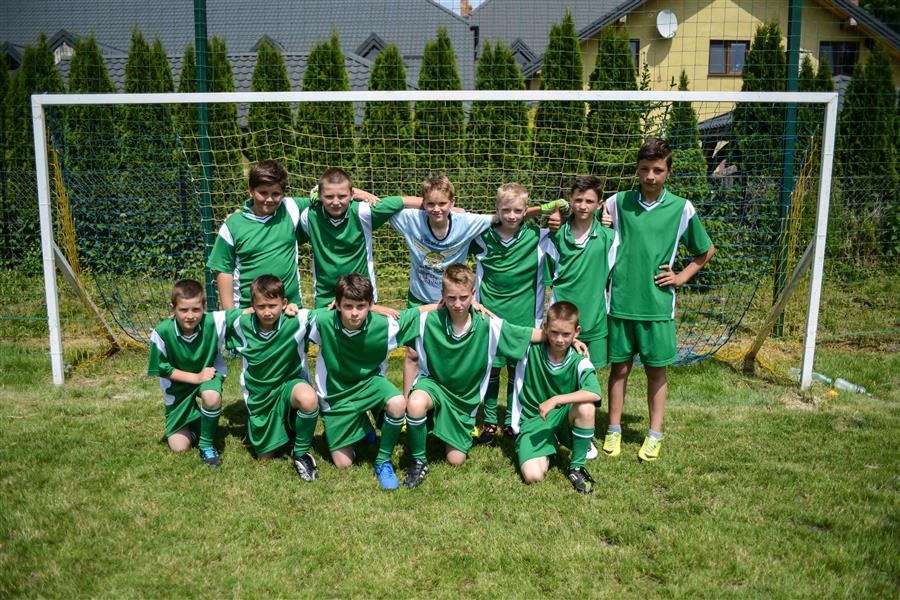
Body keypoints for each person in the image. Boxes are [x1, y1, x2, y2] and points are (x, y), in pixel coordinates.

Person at [403, 263, 584, 488]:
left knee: (456, 460)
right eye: (451, 298)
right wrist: (432, 307)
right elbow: (396, 319)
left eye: (463, 297)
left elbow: (523, 334)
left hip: (461, 401)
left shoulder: (487, 324)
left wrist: (565, 339)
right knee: (416, 402)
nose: (457, 304)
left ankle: (438, 425)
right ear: (442, 295)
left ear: (473, 294)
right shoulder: (428, 319)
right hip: (434, 386)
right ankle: (418, 461)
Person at [603, 138, 715, 462]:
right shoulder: (616, 203)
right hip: (620, 302)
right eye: (644, 169)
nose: (650, 176)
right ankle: (613, 429)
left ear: (668, 172)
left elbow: (705, 250)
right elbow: (589, 227)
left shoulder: (681, 208)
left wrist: (681, 277)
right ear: (636, 170)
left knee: (656, 372)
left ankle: (654, 435)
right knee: (619, 369)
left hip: (657, 305)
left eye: (657, 170)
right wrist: (601, 221)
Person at [389, 176, 552, 396]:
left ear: (452, 202)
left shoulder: (466, 223)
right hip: (419, 297)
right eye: (431, 203)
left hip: (452, 299)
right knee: (413, 353)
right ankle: (408, 404)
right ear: (423, 203)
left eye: (443, 203)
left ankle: (448, 401)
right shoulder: (412, 219)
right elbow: (383, 207)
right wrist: (365, 195)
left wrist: (543, 210)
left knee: (450, 354)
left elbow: (505, 216)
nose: (437, 209)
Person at [305, 273, 435, 490]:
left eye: (361, 306)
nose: (354, 313)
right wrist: (267, 309)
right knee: (344, 463)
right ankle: (362, 428)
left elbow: (415, 313)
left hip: (369, 384)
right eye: (348, 306)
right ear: (337, 304)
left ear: (370, 306)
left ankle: (383, 461)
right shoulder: (322, 320)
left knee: (397, 402)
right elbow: (287, 315)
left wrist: (457, 304)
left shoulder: (384, 325)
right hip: (336, 394)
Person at [470, 183, 552, 445]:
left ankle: (511, 421)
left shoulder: (539, 236)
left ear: (526, 210)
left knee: (516, 369)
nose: (512, 216)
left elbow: (569, 213)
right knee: (491, 369)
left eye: (518, 210)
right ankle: (490, 421)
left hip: (524, 316)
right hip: (490, 315)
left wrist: (551, 209)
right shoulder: (481, 236)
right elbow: (455, 220)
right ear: (497, 210)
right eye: (506, 210)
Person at [223, 275, 321, 481]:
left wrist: (373, 308)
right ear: (252, 306)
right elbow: (207, 322)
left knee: (308, 398)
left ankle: (301, 452)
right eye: (261, 306)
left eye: (273, 306)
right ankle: (275, 430)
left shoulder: (296, 320)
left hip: (289, 386)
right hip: (261, 396)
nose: (267, 312)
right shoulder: (241, 324)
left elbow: (333, 315)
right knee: (265, 458)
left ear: (284, 303)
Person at [510, 301, 600, 494]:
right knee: (533, 476)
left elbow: (594, 392)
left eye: (566, 334)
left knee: (586, 406)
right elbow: (501, 329)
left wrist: (555, 400)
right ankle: (551, 445)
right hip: (534, 419)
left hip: (563, 416)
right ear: (545, 328)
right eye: (554, 332)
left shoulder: (579, 359)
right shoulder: (529, 349)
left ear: (577, 332)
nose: (560, 340)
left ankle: (576, 467)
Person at [298, 167, 419, 308]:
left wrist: (442, 208)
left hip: (361, 295)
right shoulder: (309, 216)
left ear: (352, 195)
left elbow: (402, 201)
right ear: (319, 195)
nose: (336, 202)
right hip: (325, 297)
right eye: (329, 197)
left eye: (342, 196)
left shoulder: (363, 212)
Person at [147, 279, 228, 467]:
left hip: (208, 374)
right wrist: (195, 377)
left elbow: (245, 313)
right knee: (180, 447)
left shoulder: (213, 321)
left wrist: (287, 307)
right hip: (178, 387)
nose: (190, 316)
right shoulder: (161, 332)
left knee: (211, 396)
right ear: (172, 309)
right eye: (183, 310)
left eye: (196, 309)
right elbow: (162, 369)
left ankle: (207, 445)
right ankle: (199, 423)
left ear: (204, 307)